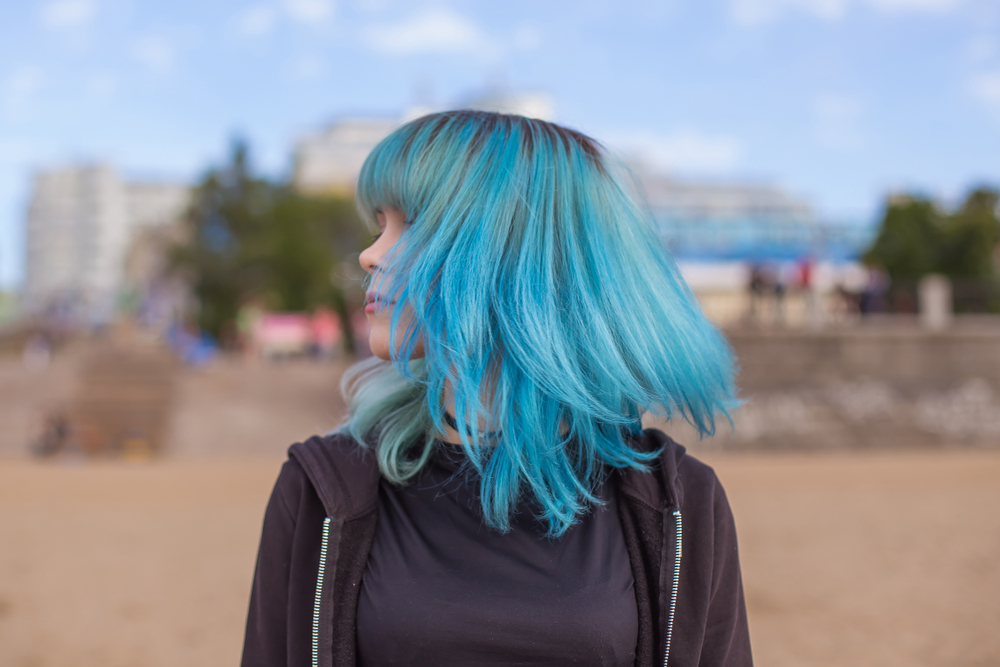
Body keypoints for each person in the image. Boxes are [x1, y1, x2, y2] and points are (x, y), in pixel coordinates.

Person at [241, 110, 752, 667]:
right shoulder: (322, 489)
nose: (370, 255)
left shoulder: (679, 503)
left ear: (515, 253)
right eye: (378, 226)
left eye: (410, 225)